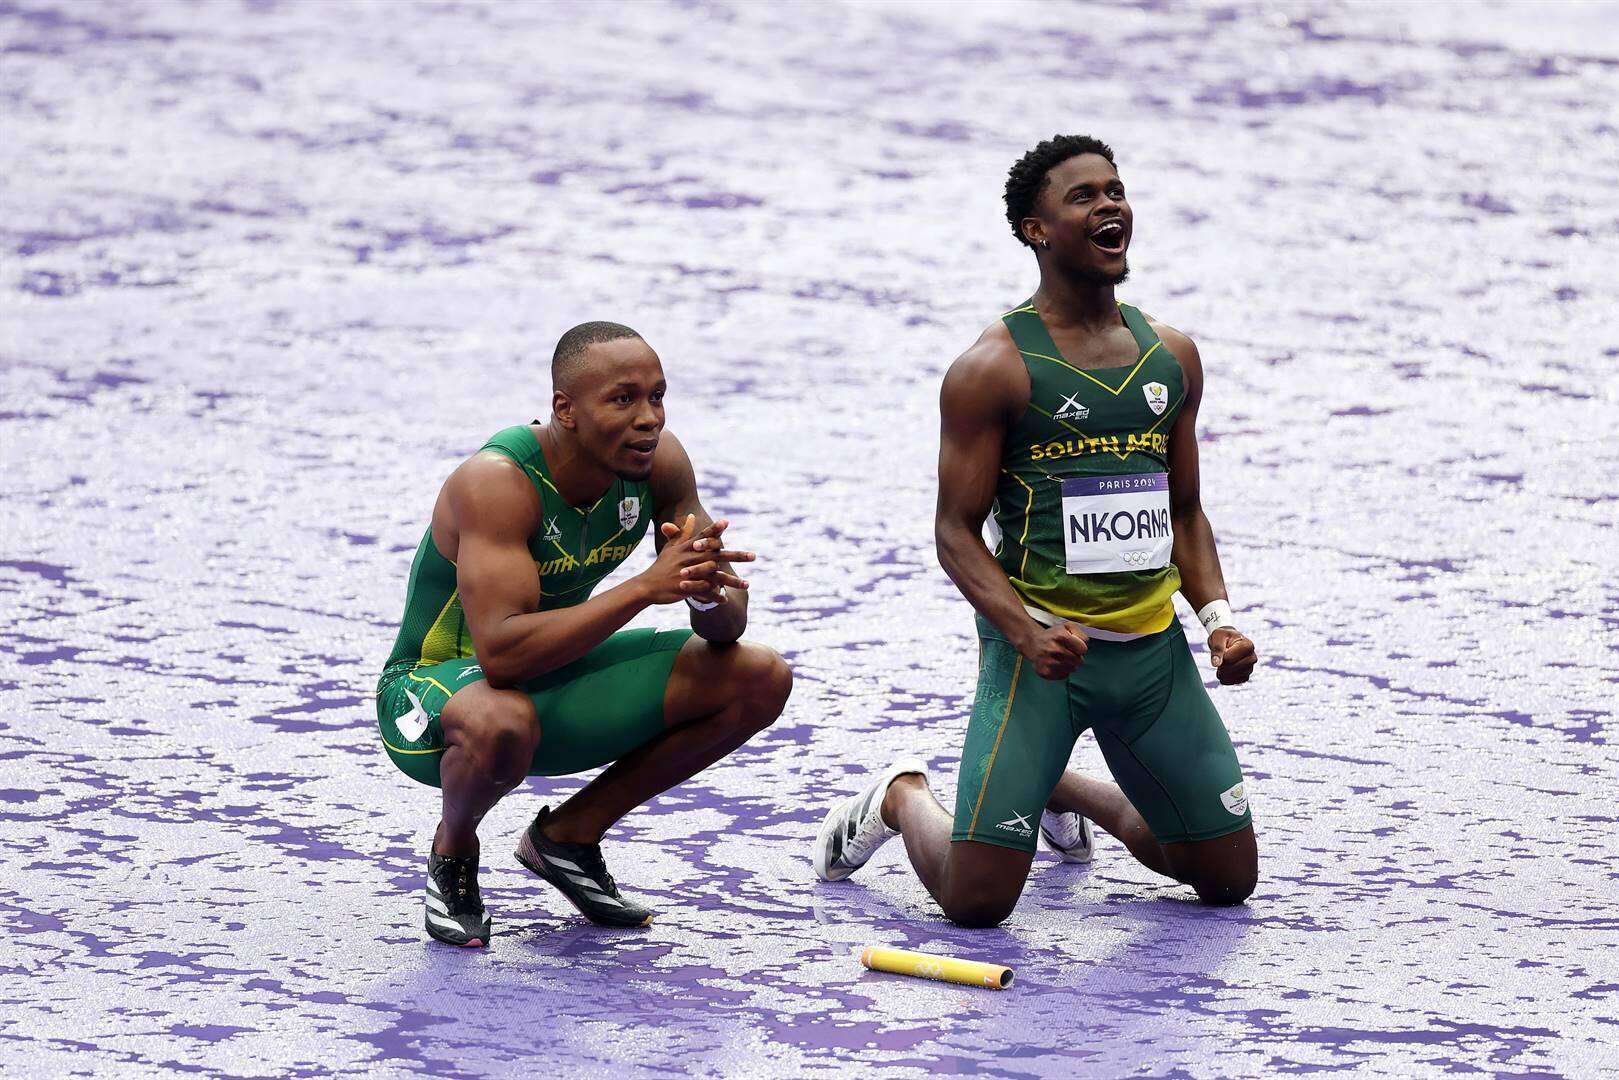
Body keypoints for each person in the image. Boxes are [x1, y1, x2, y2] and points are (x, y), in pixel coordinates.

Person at [813, 135, 1258, 926]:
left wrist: (1217, 621)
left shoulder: (1171, 359)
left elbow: (1183, 510)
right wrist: (1023, 632)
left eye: (1115, 190)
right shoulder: (993, 369)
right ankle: (899, 796)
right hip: (1040, 663)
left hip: (1153, 661)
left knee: (1223, 878)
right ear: (1035, 230)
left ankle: (1056, 785)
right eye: (1083, 196)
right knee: (976, 904)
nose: (1109, 204)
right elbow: (954, 533)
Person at [377, 321, 792, 946]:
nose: (649, 418)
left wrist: (708, 593)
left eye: (657, 396)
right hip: (433, 694)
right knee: (501, 719)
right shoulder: (495, 483)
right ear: (564, 410)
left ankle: (568, 838)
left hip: (551, 672)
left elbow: (728, 624)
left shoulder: (659, 465)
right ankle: (454, 852)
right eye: (623, 399)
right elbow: (501, 656)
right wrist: (647, 587)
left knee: (758, 678)